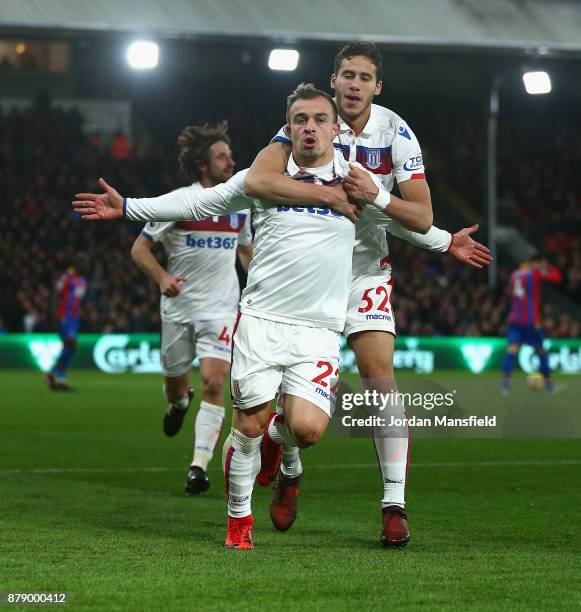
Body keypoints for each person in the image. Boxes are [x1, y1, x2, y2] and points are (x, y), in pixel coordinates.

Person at [73, 83, 484, 549]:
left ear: (335, 129)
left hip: (320, 331)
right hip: (262, 322)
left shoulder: (356, 185)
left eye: (319, 120)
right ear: (288, 129)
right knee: (245, 426)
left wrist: (447, 241)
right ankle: (238, 522)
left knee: (306, 430)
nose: (310, 127)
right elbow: (196, 203)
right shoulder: (264, 180)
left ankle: (279, 439)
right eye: (300, 121)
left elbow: (399, 223)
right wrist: (128, 207)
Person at [244, 42, 491, 547]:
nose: (354, 84)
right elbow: (259, 178)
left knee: (381, 381)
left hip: (363, 274)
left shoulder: (396, 131)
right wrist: (327, 195)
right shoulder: (307, 123)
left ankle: (394, 505)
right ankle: (284, 455)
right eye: (347, 75)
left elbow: (419, 214)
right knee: (299, 418)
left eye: (364, 77)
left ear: (378, 87)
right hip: (304, 278)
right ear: (332, 81)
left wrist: (377, 195)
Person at [130, 122, 253, 495]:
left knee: (216, 383)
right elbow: (140, 249)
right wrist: (162, 277)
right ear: (203, 164)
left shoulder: (239, 204)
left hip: (221, 309)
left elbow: (246, 250)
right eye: (222, 156)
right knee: (175, 387)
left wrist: (264, 284)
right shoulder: (179, 202)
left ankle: (198, 467)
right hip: (179, 309)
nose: (231, 160)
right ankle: (180, 402)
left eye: (230, 154)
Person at [501, 254, 562, 392]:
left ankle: (505, 384)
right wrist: (548, 267)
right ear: (536, 262)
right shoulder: (534, 273)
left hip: (514, 318)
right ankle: (549, 385)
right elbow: (556, 277)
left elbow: (510, 293)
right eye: (542, 264)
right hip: (530, 320)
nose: (543, 267)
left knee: (512, 349)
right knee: (541, 350)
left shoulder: (515, 274)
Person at [44, 253, 89, 391]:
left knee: (68, 347)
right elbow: (55, 294)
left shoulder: (82, 280)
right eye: (82, 262)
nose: (85, 265)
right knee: (71, 345)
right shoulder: (67, 277)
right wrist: (52, 315)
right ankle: (52, 373)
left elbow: (79, 300)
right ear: (76, 264)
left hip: (74, 318)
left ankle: (59, 379)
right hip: (65, 315)